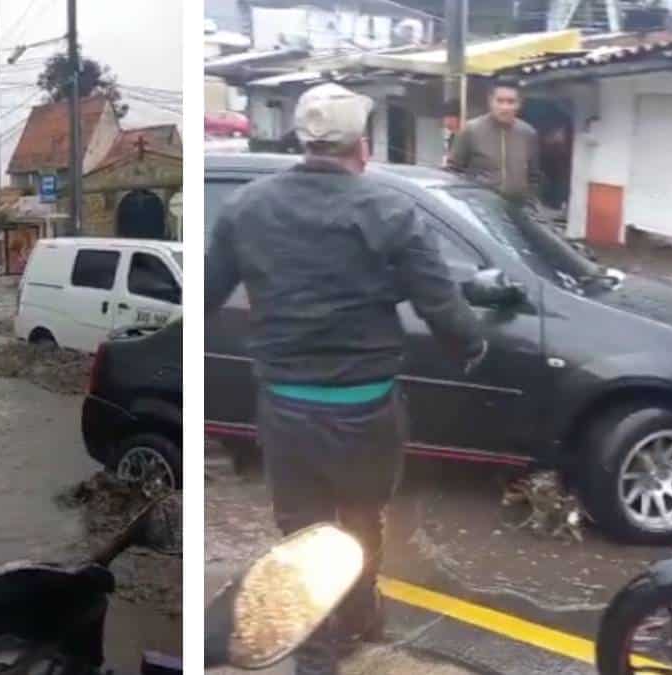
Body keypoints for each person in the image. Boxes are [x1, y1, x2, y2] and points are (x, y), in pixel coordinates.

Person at [205, 82, 487, 675]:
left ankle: (317, 651)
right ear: (361, 145)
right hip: (366, 411)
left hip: (284, 409)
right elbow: (444, 310)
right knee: (361, 520)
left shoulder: (247, 207)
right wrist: (473, 347)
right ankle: (354, 620)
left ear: (304, 142)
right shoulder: (389, 210)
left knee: (303, 536)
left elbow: (203, 299)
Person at [446, 79, 542, 204]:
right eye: (500, 101)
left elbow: (534, 176)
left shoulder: (528, 133)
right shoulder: (471, 130)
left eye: (511, 102)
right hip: (480, 208)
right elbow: (453, 172)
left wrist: (530, 202)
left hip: (516, 209)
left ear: (519, 104)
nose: (505, 107)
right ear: (490, 102)